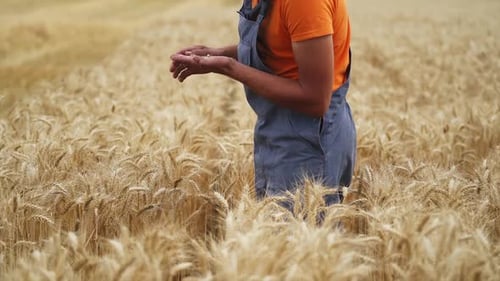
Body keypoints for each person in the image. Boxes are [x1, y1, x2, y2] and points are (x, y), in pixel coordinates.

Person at [170, 0, 355, 206]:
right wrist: (217, 53)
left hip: (312, 144)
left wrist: (228, 67)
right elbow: (277, 47)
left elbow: (316, 100)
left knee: (302, 232)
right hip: (277, 136)